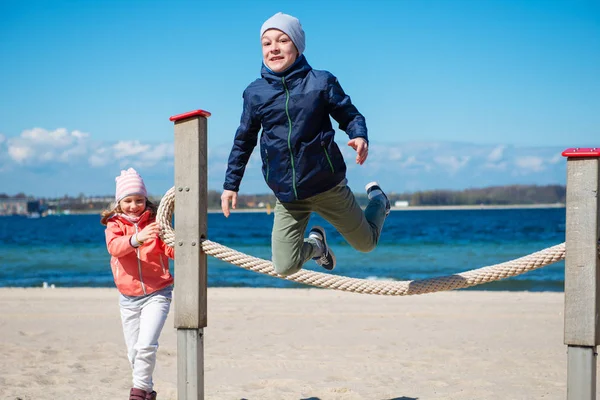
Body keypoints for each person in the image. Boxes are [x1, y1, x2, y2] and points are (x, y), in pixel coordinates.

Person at [221, 12, 391, 277]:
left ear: (297, 47)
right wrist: (231, 185)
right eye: (267, 43)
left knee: (366, 244)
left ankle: (379, 201)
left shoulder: (321, 82)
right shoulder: (255, 93)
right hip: (288, 196)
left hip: (327, 186)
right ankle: (317, 246)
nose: (274, 48)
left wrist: (358, 135)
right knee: (284, 266)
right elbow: (244, 140)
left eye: (282, 40)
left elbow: (350, 115)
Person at [100, 168, 174, 400]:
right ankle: (148, 392)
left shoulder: (156, 222)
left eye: (139, 200)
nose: (134, 205)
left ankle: (138, 394)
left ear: (146, 200)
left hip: (157, 293)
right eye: (128, 201)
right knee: (134, 353)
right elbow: (115, 248)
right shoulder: (114, 225)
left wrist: (180, 243)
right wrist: (137, 239)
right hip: (128, 298)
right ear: (119, 202)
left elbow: (170, 250)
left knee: (146, 346)